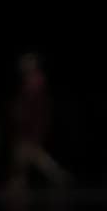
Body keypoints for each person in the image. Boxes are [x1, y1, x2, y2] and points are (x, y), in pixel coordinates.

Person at [8, 48, 68, 190]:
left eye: (27, 61)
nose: (23, 64)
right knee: (26, 152)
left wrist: (24, 115)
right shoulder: (29, 80)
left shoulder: (37, 80)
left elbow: (37, 106)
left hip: (33, 123)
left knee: (28, 151)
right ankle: (19, 181)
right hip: (27, 123)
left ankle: (57, 176)